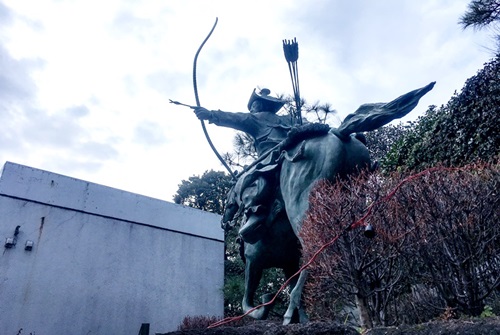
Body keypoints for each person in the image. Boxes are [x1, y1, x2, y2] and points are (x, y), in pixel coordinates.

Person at [194, 88, 296, 242]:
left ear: (261, 105)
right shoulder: (289, 119)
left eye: (253, 105)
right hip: (294, 153)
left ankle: (255, 213)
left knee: (251, 182)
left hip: (271, 158)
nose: (252, 109)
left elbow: (236, 118)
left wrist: (211, 114)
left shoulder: (257, 119)